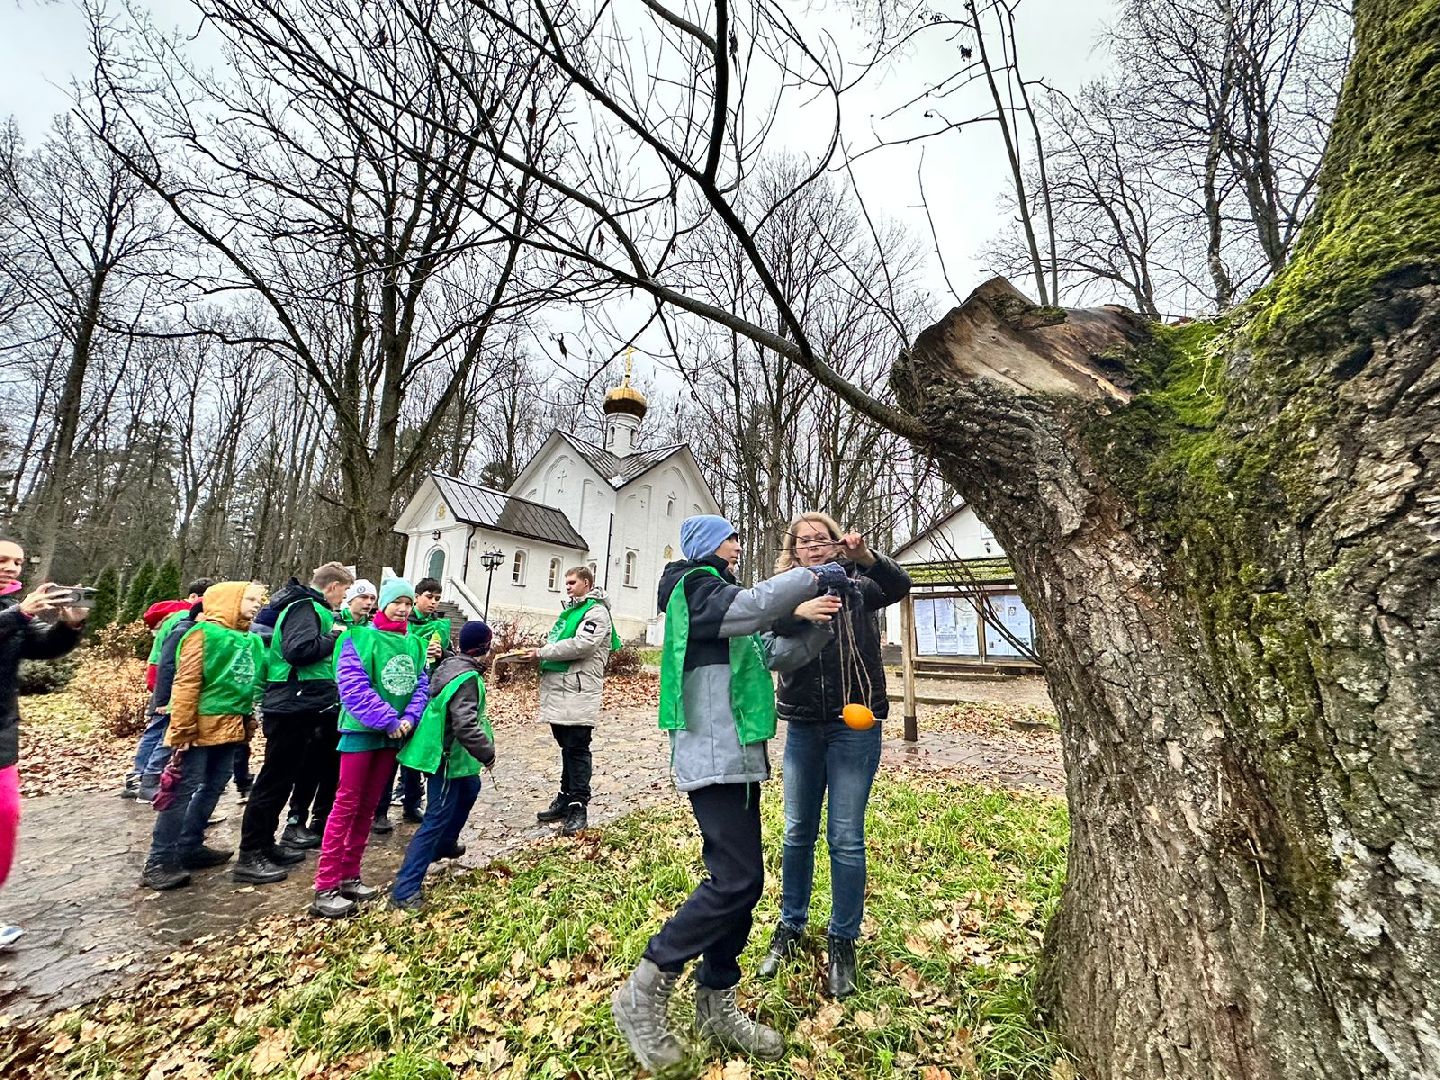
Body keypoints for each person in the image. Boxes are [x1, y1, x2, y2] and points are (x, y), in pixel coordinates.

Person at [610, 515, 844, 1069]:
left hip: (737, 754)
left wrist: (818, 625)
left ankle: (715, 1001)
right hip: (711, 753)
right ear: (706, 545)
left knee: (741, 880)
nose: (738, 546)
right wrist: (817, 577)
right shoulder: (694, 587)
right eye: (730, 538)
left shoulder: (719, 599)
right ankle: (645, 987)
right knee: (736, 879)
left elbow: (772, 654)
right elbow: (754, 607)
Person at [756, 512, 913, 998]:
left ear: (835, 545)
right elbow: (759, 622)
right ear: (793, 550)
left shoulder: (858, 585)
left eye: (821, 539)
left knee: (846, 837)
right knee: (797, 830)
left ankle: (843, 940)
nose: (813, 547)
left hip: (854, 724)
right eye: (804, 542)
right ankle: (790, 926)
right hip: (803, 724)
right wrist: (798, 613)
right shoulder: (784, 590)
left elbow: (899, 585)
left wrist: (865, 556)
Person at [312, 577, 428, 918]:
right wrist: (387, 719)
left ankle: (350, 874)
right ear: (384, 605)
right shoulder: (356, 638)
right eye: (398, 602)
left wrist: (409, 718)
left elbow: (421, 685)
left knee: (368, 807)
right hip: (362, 733)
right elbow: (352, 684)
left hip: (392, 737)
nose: (404, 609)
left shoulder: (415, 645)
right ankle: (326, 884)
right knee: (346, 804)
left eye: (408, 603)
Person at [233, 562, 353, 884]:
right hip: (291, 705)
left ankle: (266, 844)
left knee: (284, 779)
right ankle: (250, 855)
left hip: (302, 704)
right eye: (343, 590)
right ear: (331, 587)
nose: (344, 597)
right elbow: (299, 651)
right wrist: (335, 636)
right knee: (273, 781)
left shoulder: (308, 607)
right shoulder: (306, 607)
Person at [140, 581, 266, 890]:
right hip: (198, 726)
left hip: (232, 725)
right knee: (181, 791)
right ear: (227, 600)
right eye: (248, 599)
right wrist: (182, 731)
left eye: (258, 600)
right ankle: (159, 859)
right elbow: (187, 684)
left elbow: (250, 683)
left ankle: (189, 844)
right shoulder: (201, 635)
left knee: (214, 786)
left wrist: (248, 719)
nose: (255, 605)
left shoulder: (250, 640)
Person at [0, 537, 87, 949]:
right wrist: (19, 614)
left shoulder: (12, 609)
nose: (11, 568)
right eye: (2, 560)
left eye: (17, 561)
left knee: (6, 816)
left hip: (1, 729)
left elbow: (42, 646)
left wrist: (70, 624)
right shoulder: (13, 611)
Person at [390, 620, 496, 910]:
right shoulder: (466, 678)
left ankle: (446, 843)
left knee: (470, 788)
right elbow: (465, 725)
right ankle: (405, 889)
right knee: (435, 818)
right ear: (485, 647)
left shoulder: (452, 666)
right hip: (446, 757)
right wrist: (487, 753)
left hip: (455, 759)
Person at [528, 565, 617, 835]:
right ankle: (565, 797)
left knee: (578, 747)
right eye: (565, 582)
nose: (567, 586)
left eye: (572, 582)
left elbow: (582, 645)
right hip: (560, 688)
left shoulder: (596, 612)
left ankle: (579, 804)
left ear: (587, 584)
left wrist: (542, 653)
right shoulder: (571, 612)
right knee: (565, 746)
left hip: (579, 689)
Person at [120, 578, 216, 800]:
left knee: (158, 727)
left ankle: (139, 776)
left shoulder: (177, 615)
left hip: (161, 671)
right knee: (163, 727)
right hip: (167, 675)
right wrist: (164, 696)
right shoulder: (185, 617)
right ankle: (145, 778)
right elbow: (171, 656)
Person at [374, 577, 446, 832]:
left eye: (437, 599)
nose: (433, 603)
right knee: (389, 755)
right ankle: (379, 809)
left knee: (414, 752)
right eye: (429, 597)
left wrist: (441, 654)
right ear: (417, 596)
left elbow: (446, 656)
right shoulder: (399, 627)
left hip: (423, 695)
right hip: (393, 694)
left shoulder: (440, 624)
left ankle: (412, 801)